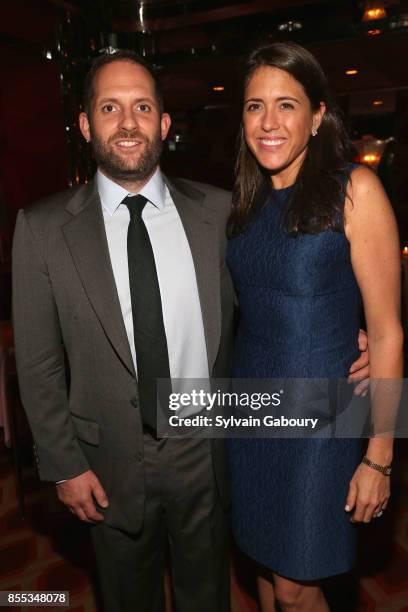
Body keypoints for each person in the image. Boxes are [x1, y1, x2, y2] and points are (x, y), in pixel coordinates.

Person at [12, 50, 234, 612]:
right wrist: (64, 464)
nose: (128, 123)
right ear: (87, 125)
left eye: (142, 107)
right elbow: (38, 364)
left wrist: (351, 338)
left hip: (204, 451)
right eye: (111, 107)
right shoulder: (42, 229)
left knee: (207, 597)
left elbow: (270, 306)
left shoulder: (220, 214)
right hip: (104, 459)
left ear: (164, 124)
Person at [226, 42, 402, 612]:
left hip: (324, 420)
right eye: (255, 106)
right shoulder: (247, 203)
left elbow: (388, 332)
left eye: (286, 104)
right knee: (264, 563)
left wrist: (378, 456)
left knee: (297, 587)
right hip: (251, 410)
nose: (269, 122)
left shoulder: (356, 191)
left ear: (318, 114)